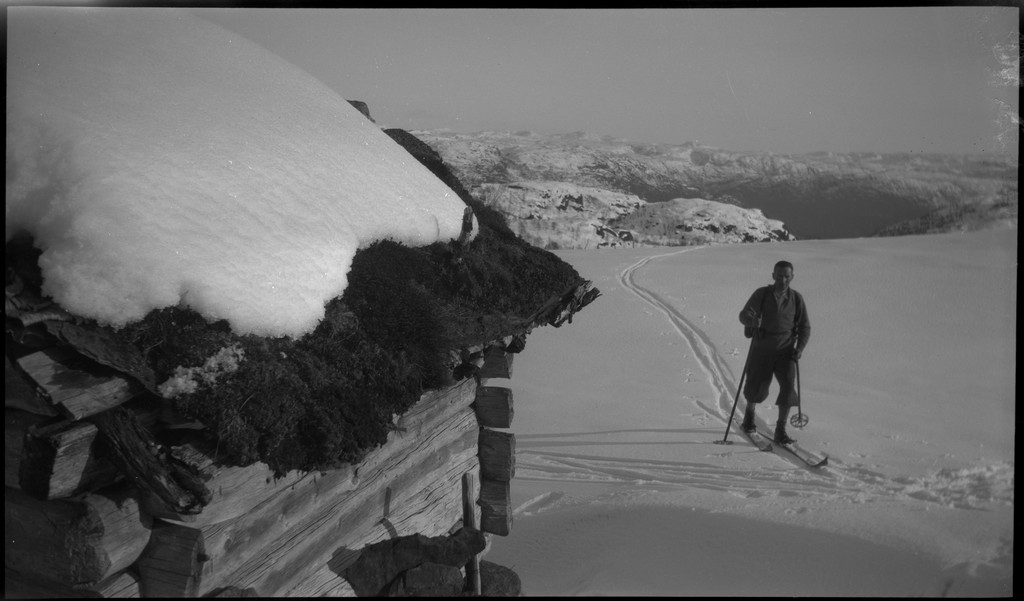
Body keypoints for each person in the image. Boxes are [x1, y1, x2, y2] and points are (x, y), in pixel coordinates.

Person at [737, 260, 810, 444]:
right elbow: (743, 315)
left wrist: (799, 349)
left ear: (792, 277)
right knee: (756, 388)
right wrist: (754, 322)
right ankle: (749, 417)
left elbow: (804, 327)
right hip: (761, 348)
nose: (783, 280)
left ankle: (780, 430)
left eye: (787, 276)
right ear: (773, 276)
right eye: (779, 276)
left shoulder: (797, 298)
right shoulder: (761, 294)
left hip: (786, 351)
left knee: (788, 389)